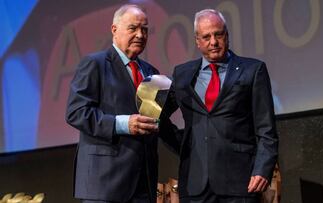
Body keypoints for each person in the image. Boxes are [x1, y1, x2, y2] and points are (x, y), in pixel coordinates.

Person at [162, 9, 279, 203]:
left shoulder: (252, 70)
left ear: (227, 35)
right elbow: (159, 117)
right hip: (194, 184)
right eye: (206, 37)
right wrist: (184, 147)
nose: (213, 42)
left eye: (218, 34)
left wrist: (262, 169)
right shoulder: (183, 74)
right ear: (197, 41)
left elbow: (266, 128)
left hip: (240, 182)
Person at [66, 4, 160, 203]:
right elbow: (76, 112)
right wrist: (123, 124)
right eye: (133, 28)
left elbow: (156, 122)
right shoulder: (95, 64)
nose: (140, 35)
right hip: (104, 183)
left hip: (144, 184)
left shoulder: (152, 73)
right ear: (114, 30)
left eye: (144, 29)